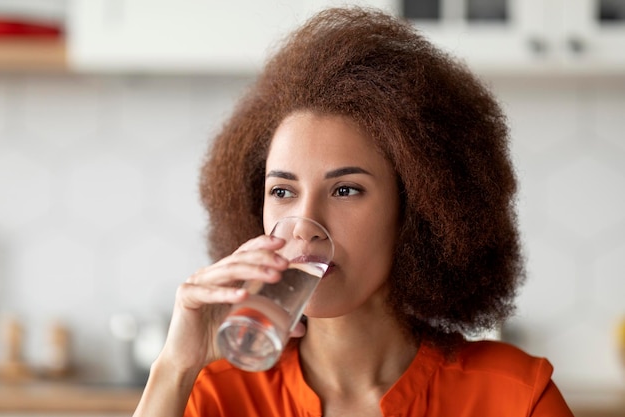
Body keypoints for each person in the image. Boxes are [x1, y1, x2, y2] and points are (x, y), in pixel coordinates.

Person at [133, 7, 574, 417]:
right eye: (283, 191)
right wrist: (175, 367)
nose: (305, 227)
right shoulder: (216, 395)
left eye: (345, 189)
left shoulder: (515, 397)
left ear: (418, 208)